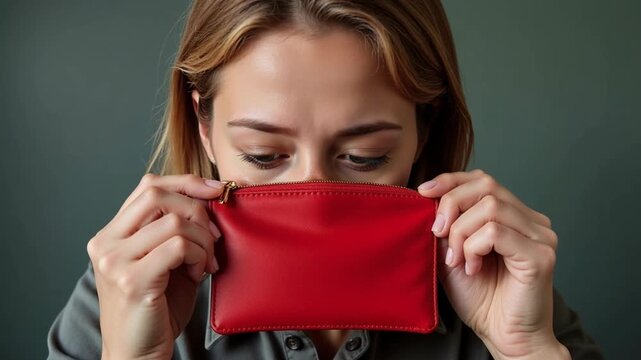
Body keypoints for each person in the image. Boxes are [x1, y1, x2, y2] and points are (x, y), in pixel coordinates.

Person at [47, 1, 604, 359]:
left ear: (422, 135)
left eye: (364, 156)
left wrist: (527, 350)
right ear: (205, 127)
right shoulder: (125, 289)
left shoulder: (502, 288)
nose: (314, 200)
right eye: (264, 155)